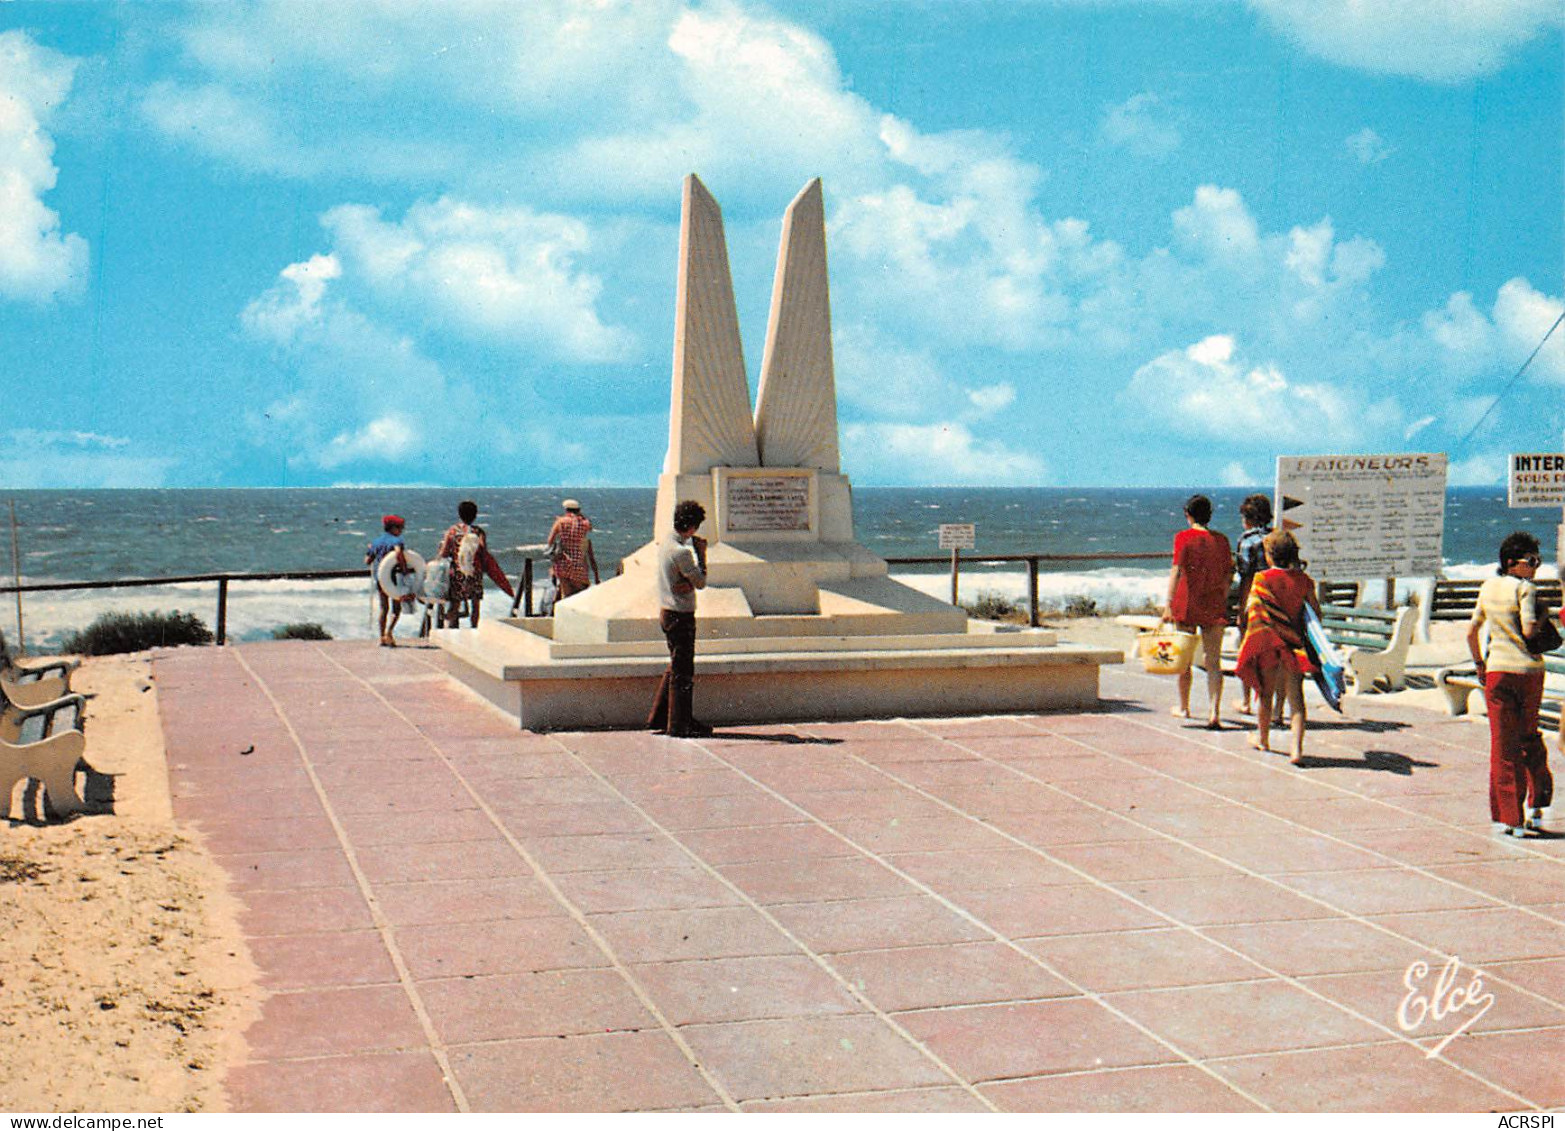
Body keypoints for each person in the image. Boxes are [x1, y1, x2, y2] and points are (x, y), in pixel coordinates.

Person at [1467, 531, 1553, 837]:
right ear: (1512, 563)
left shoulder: (1488, 587)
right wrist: (1545, 617)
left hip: (1498, 673)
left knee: (1503, 745)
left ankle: (1510, 818)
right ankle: (1538, 803)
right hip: (1530, 673)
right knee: (1529, 738)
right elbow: (1530, 632)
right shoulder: (1526, 589)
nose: (1536, 567)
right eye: (1531, 561)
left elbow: (1471, 631)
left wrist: (1480, 665)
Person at [1235, 530, 1319, 764]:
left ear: (1270, 556)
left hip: (1269, 645)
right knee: (1297, 700)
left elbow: (1253, 613)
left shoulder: (1261, 579)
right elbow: (1315, 614)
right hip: (1295, 646)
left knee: (1265, 695)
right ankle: (1297, 749)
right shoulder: (1304, 580)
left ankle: (1263, 740)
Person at [1161, 493, 1234, 728]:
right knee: (1213, 661)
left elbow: (1177, 571)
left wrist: (1168, 603)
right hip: (1213, 602)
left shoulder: (1183, 538)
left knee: (1184, 660)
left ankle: (1184, 707)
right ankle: (1214, 712)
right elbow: (1228, 574)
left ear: (1188, 515)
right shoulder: (1221, 540)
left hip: (1187, 602)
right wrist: (1222, 594)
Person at [646, 499, 711, 738]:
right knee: (683, 672)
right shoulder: (682, 552)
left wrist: (686, 583)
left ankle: (661, 717)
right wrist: (702, 557)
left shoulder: (666, 543)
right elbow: (701, 582)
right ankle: (678, 724)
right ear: (692, 526)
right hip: (680, 614)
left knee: (676, 667)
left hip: (667, 610)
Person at [436, 500, 515, 629]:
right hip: (474, 572)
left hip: (457, 572)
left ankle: (451, 628)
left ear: (460, 514)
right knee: (475, 604)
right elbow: (483, 551)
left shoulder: (452, 531)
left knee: (455, 603)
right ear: (475, 515)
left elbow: (444, 552)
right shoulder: (478, 532)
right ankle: (474, 629)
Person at [1234, 493, 1277, 719]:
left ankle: (1247, 701)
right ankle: (1277, 708)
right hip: (1277, 602)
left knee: (1249, 652)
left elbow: (1246, 577)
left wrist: (1242, 609)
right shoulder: (1277, 537)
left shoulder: (1247, 541)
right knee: (1276, 655)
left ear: (1248, 517)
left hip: (1255, 602)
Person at [365, 514, 411, 647]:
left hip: (381, 578)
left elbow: (368, 560)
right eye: (400, 528)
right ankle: (389, 632)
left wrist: (370, 549)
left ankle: (381, 637)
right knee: (396, 609)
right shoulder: (397, 541)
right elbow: (398, 553)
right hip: (393, 578)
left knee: (384, 608)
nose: (401, 530)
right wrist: (404, 569)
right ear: (393, 528)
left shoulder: (376, 542)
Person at [546, 498, 599, 608]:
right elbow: (590, 528)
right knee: (579, 597)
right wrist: (581, 517)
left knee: (566, 595)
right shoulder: (584, 523)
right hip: (578, 564)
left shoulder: (560, 522)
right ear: (578, 510)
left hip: (562, 563)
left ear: (566, 509)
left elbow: (550, 541)